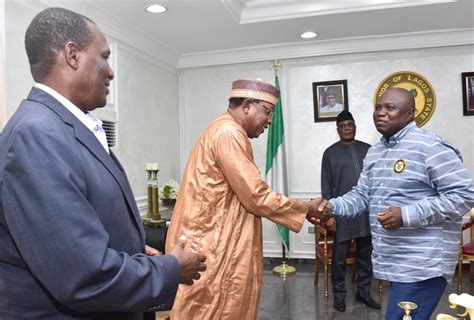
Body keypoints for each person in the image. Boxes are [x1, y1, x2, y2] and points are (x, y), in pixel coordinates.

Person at [0, 7, 206, 320]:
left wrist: (135, 252)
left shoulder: (65, 126)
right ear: (72, 55)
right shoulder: (36, 135)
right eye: (105, 56)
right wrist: (169, 269)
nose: (111, 71)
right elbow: (81, 275)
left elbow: (83, 227)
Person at [165, 78, 323, 319]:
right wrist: (305, 209)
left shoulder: (224, 129)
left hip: (217, 239)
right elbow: (256, 196)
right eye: (267, 112)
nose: (269, 121)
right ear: (248, 105)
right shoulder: (229, 133)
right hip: (212, 246)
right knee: (213, 309)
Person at [316, 88, 474, 319]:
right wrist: (330, 206)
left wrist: (406, 215)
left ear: (409, 114)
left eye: (390, 108)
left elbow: (463, 195)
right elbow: (361, 195)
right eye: (378, 107)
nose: (380, 113)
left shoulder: (429, 146)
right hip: (396, 263)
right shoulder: (376, 152)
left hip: (422, 265)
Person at [321, 110, 379, 312]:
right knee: (339, 259)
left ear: (355, 126)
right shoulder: (330, 153)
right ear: (338, 129)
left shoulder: (369, 150)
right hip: (342, 213)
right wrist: (329, 215)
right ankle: (339, 296)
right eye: (343, 126)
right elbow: (326, 186)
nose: (347, 128)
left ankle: (363, 292)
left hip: (366, 212)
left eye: (350, 125)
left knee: (366, 255)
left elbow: (377, 181)